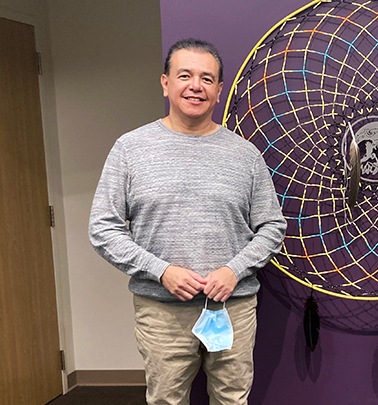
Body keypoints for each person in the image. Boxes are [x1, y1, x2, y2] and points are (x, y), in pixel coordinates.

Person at [89, 38, 287, 405]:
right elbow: (103, 228)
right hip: (161, 312)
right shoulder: (130, 149)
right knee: (166, 401)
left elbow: (272, 227)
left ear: (218, 91)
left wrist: (234, 270)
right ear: (165, 83)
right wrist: (161, 270)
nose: (195, 86)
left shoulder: (245, 155)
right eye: (185, 75)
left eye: (207, 78)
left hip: (233, 309)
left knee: (232, 399)